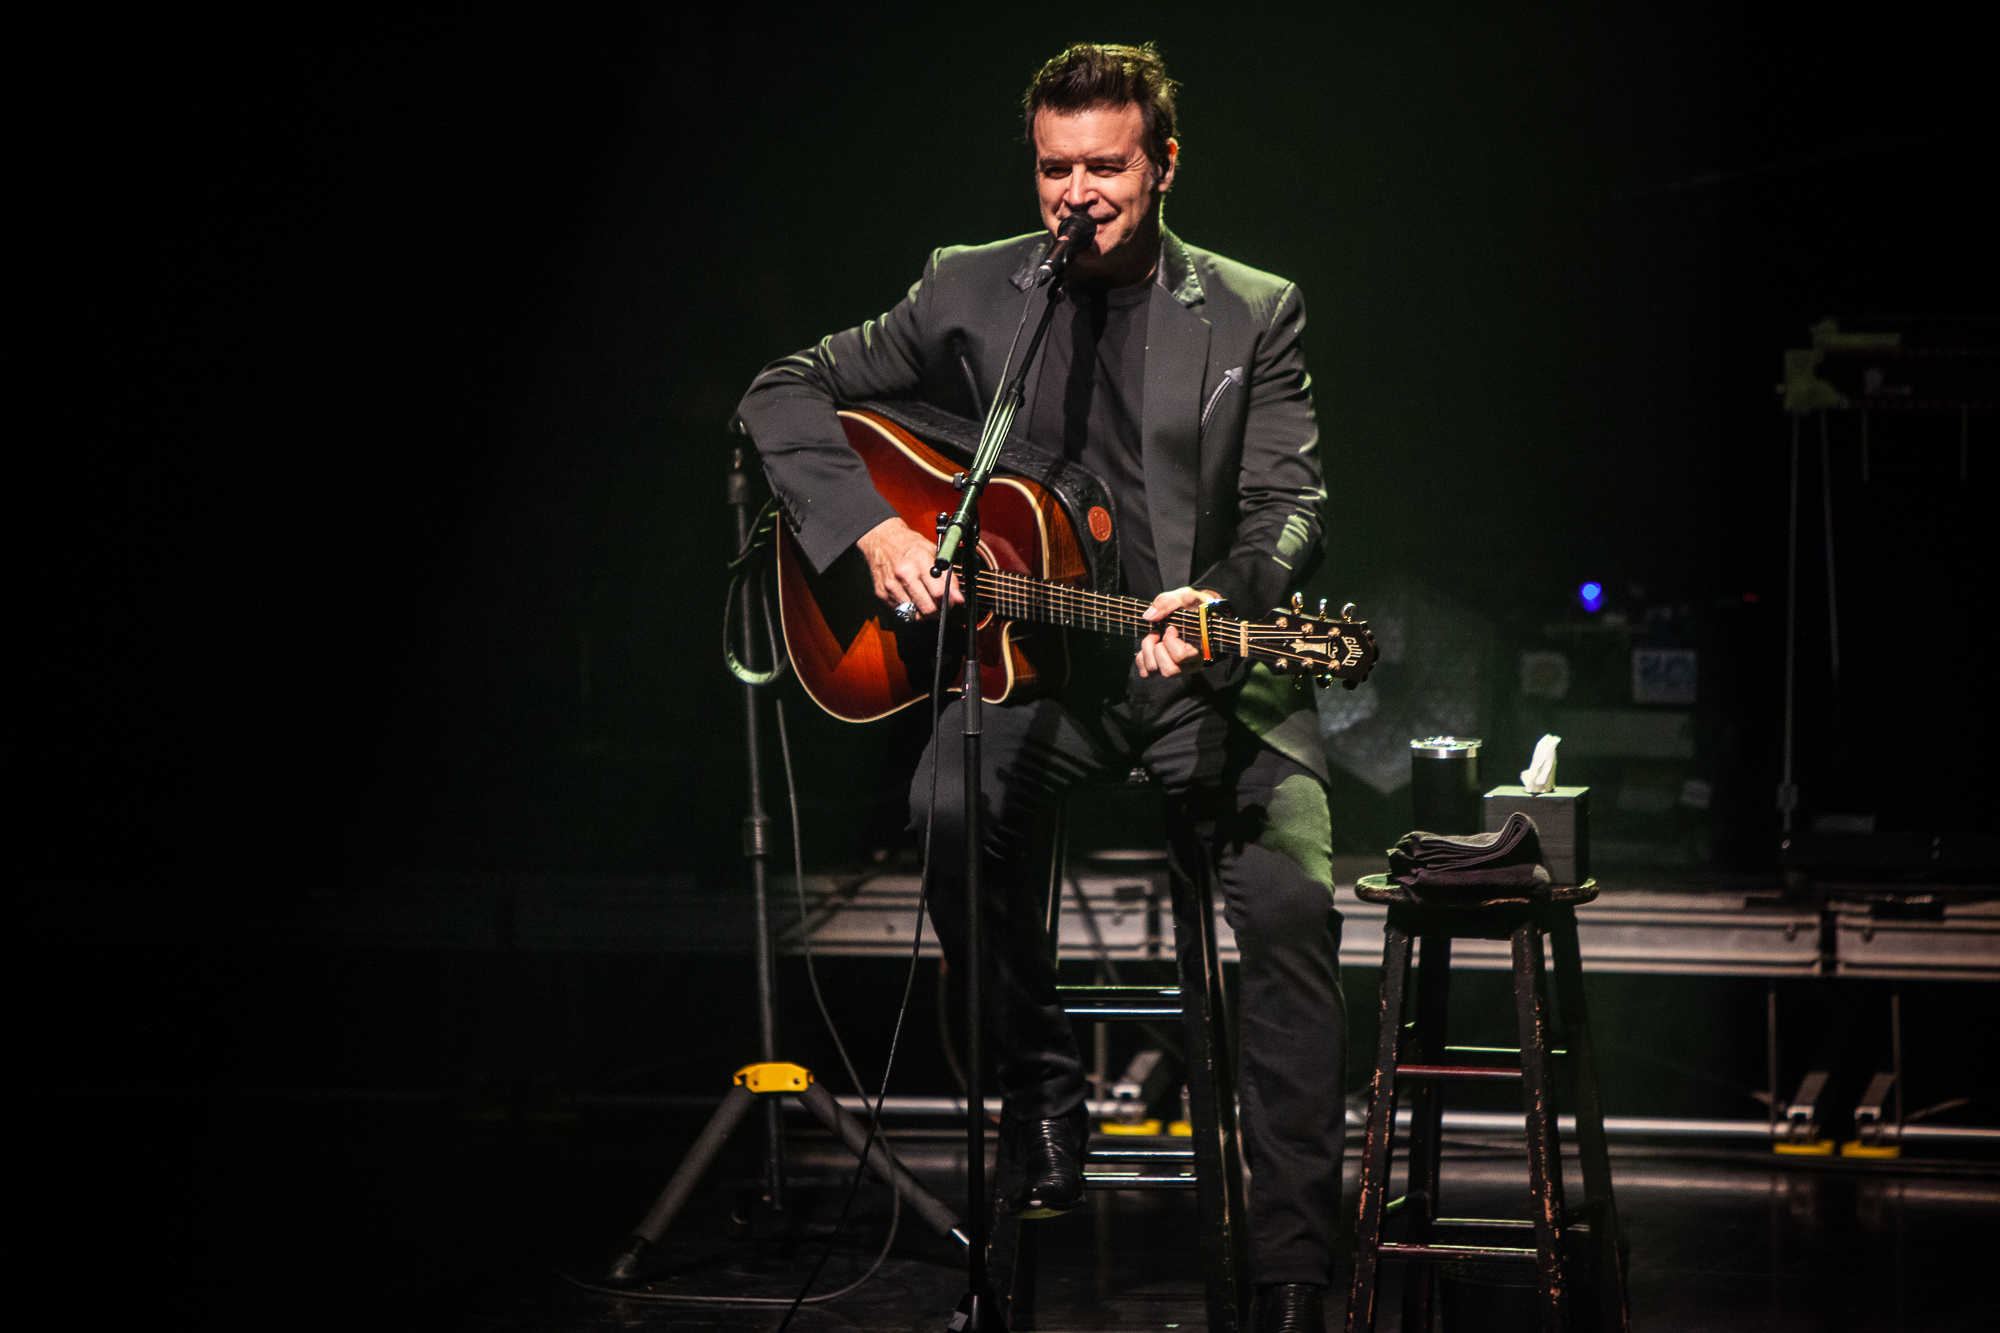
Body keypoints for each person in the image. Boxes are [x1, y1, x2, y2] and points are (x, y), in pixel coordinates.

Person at [737, 43, 1344, 1333]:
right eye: (1055, 169)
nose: (1078, 194)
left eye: (1106, 167)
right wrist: (870, 532)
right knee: (948, 810)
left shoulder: (1253, 310)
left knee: (1294, 901)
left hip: (1203, 675)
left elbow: (1291, 505)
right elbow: (782, 390)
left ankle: (1296, 1261)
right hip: (1036, 674)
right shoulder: (969, 289)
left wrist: (1223, 600)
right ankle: (1041, 1088)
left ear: (1163, 165)